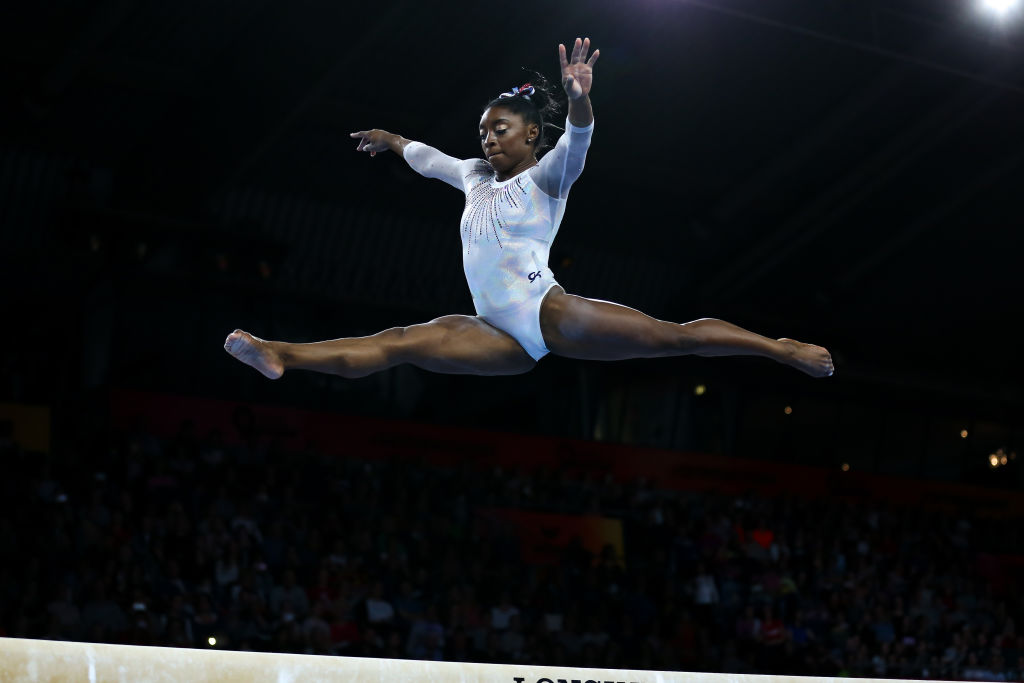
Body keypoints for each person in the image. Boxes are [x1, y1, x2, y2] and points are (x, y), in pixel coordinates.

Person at [225, 37, 833, 381]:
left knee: (673, 340)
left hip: (547, 312)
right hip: (495, 334)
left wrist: (578, 99)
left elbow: (580, 138)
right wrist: (392, 139)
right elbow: (429, 158)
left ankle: (781, 348)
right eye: (483, 131)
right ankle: (280, 354)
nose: (487, 139)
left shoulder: (548, 177)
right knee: (399, 341)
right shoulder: (474, 175)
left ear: (531, 136)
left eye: (500, 129)